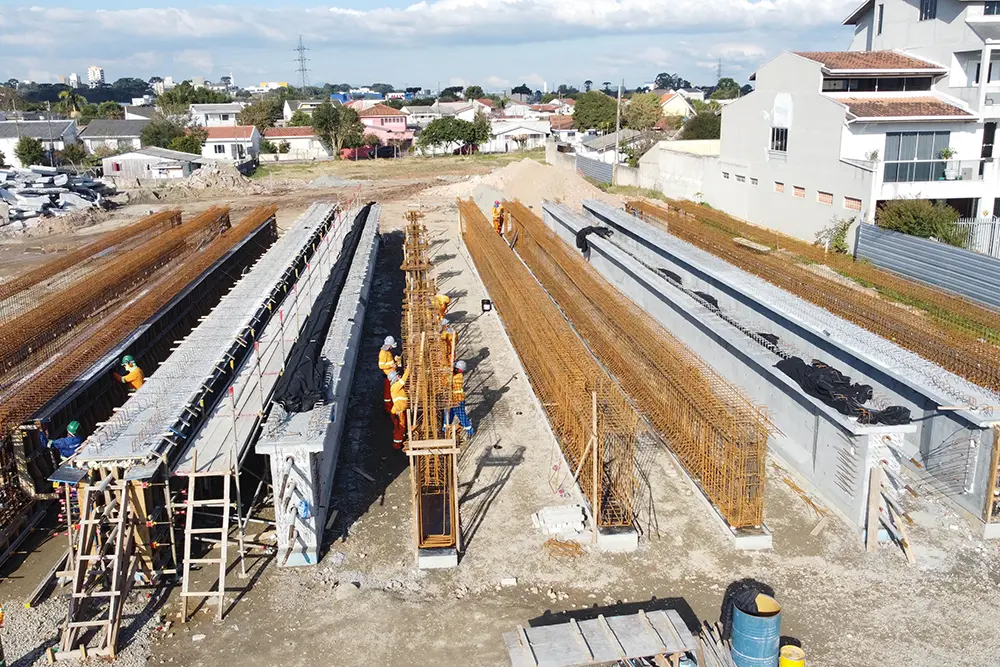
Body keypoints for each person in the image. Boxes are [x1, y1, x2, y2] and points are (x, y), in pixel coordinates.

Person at [446, 360, 475, 437]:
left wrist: (449, 371)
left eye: (456, 368)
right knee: (449, 413)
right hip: (452, 398)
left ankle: (470, 430)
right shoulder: (455, 374)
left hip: (458, 399)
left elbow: (449, 382)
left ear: (460, 370)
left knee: (461, 415)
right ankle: (445, 429)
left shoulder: (458, 377)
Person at [388, 367, 411, 450]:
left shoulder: (396, 387)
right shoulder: (396, 386)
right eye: (398, 376)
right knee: (401, 428)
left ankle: (400, 439)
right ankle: (397, 444)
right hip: (399, 410)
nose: (399, 376)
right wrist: (409, 368)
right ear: (394, 378)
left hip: (398, 409)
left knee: (399, 427)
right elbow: (404, 380)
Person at [378, 336, 399, 414]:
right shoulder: (383, 353)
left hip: (391, 374)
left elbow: (389, 361)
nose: (392, 347)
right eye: (391, 346)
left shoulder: (387, 352)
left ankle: (391, 406)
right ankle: (388, 409)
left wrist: (395, 361)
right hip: (388, 376)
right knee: (388, 393)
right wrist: (391, 365)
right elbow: (381, 366)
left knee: (392, 391)